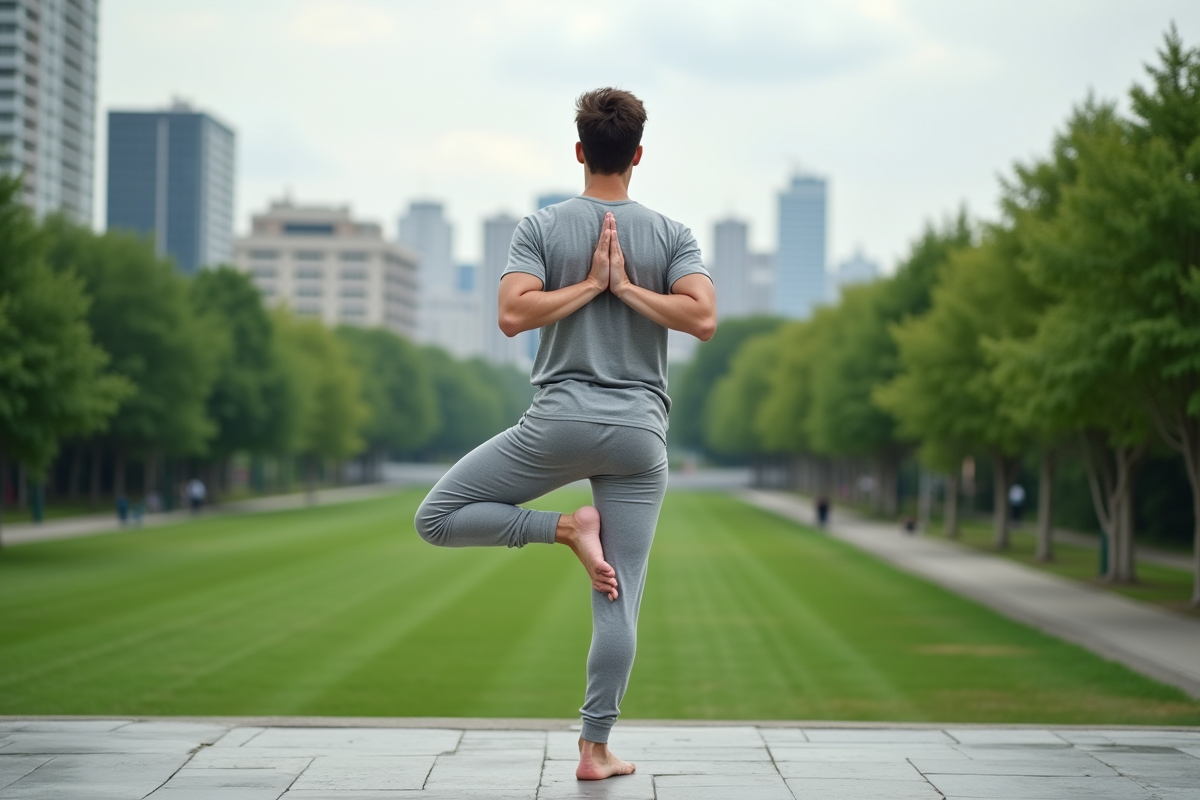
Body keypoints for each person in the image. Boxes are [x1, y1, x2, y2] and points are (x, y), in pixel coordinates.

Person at [415, 87, 716, 782]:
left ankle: (561, 530)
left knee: (436, 517)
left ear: (580, 151)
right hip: (640, 435)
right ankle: (595, 750)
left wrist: (598, 285)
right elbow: (702, 318)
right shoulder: (672, 234)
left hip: (556, 424)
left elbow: (512, 315)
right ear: (637, 155)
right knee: (620, 593)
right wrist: (612, 286)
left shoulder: (541, 227)